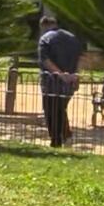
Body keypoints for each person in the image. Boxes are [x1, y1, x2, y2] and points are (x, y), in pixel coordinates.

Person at [37, 14, 82, 148]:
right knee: (60, 108)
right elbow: (81, 57)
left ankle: (56, 140)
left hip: (52, 81)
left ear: (43, 26)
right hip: (70, 82)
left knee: (50, 110)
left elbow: (46, 61)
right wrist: (76, 75)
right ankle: (66, 136)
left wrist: (61, 75)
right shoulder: (72, 37)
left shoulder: (45, 39)